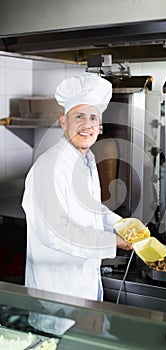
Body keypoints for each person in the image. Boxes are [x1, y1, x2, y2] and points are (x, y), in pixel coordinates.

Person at [22, 74, 132, 302]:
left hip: (84, 286)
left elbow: (90, 209)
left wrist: (121, 224)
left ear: (99, 126)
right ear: (64, 122)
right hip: (56, 295)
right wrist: (112, 240)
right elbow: (55, 232)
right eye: (79, 116)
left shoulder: (86, 159)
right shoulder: (49, 166)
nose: (87, 125)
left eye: (93, 117)